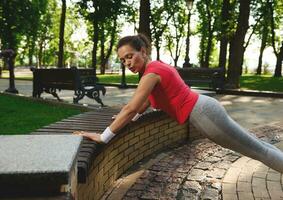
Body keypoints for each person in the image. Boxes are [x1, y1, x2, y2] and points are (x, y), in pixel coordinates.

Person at [74, 34, 283, 173]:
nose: (127, 63)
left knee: (258, 151)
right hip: (205, 110)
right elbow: (143, 104)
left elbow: (130, 108)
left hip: (205, 113)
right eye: (122, 60)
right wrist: (129, 118)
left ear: (143, 52)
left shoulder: (151, 73)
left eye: (130, 56)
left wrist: (103, 136)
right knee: (258, 145)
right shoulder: (152, 70)